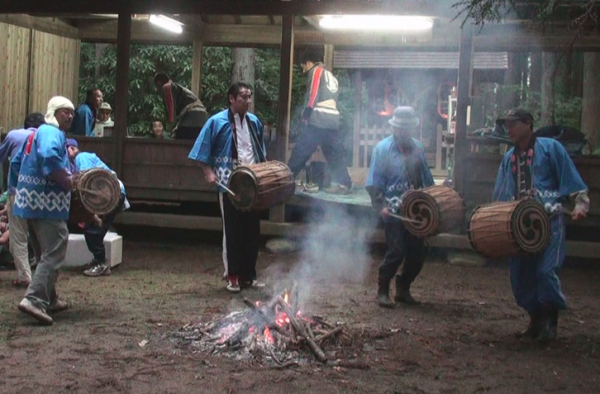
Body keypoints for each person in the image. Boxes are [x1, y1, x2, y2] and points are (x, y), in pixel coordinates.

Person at [492, 108, 589, 342]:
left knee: (545, 271)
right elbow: (500, 195)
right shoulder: (509, 159)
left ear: (528, 123)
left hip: (549, 221)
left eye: (513, 123)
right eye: (506, 125)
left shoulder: (551, 148)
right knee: (520, 276)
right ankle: (535, 321)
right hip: (519, 226)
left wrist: (580, 204)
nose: (509, 129)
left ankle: (550, 322)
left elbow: (569, 177)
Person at [189, 82, 267, 293]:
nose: (247, 101)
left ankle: (248, 276)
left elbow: (260, 150)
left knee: (252, 231)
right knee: (232, 231)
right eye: (243, 97)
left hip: (252, 184)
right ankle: (232, 276)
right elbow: (200, 149)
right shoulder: (216, 122)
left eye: (249, 97)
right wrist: (208, 172)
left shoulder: (254, 122)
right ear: (232, 99)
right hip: (228, 183)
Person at [11, 96, 75, 325]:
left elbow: (16, 162)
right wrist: (67, 180)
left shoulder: (34, 135)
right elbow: (49, 156)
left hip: (30, 202)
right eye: (64, 111)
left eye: (71, 113)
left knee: (43, 253)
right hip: (47, 203)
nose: (69, 116)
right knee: (56, 247)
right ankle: (35, 299)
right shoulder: (51, 133)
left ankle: (50, 298)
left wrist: (23, 187)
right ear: (53, 113)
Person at [365, 106, 434, 308]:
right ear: (394, 128)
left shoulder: (418, 148)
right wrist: (380, 205)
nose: (403, 132)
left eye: (407, 128)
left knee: (418, 254)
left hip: (417, 211)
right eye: (400, 128)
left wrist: (433, 198)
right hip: (393, 210)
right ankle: (383, 289)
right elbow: (374, 182)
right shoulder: (383, 149)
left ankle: (403, 288)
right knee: (397, 250)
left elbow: (427, 180)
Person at [287, 48, 352, 195]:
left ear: (309, 62)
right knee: (333, 153)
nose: (303, 70)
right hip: (332, 119)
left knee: (301, 150)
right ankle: (345, 184)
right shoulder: (331, 75)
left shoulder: (316, 71)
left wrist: (307, 111)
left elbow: (313, 92)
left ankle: (286, 180)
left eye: (303, 65)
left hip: (319, 118)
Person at [66, 139, 128, 277]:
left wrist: (92, 213)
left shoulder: (81, 157)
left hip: (109, 195)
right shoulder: (77, 163)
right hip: (108, 195)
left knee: (93, 230)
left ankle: (102, 263)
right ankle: (99, 260)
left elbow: (86, 183)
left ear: (72, 148)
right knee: (92, 229)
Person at [0, 113, 45, 287]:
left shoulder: (14, 135)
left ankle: (25, 275)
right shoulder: (46, 138)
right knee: (39, 233)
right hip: (41, 192)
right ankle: (43, 271)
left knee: (18, 235)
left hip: (17, 190)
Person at [154, 72, 209, 140]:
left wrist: (168, 130)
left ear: (159, 83)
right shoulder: (179, 88)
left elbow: (171, 116)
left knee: (178, 140)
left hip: (193, 119)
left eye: (157, 86)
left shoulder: (167, 87)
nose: (157, 90)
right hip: (203, 122)